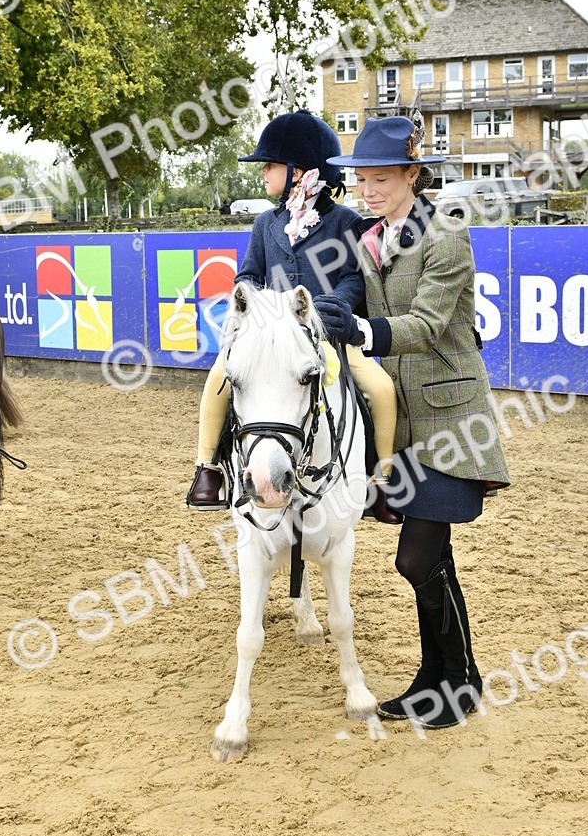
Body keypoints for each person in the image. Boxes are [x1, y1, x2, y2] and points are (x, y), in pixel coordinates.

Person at [320, 114, 510, 729]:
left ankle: (457, 679)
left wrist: (364, 330)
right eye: (361, 182)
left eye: (380, 179)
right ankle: (447, 678)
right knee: (431, 558)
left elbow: (427, 328)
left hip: (451, 418)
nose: (368, 191)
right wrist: (338, 306)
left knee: (416, 556)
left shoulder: (446, 236)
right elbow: (355, 289)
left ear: (412, 174)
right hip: (403, 423)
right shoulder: (371, 237)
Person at [186, 109, 402, 523]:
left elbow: (355, 279)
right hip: (270, 336)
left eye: (270, 165)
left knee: (380, 387)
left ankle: (381, 483)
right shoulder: (266, 223)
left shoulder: (346, 222)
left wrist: (333, 306)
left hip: (328, 338)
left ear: (299, 169)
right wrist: (254, 298)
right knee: (218, 378)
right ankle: (207, 470)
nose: (264, 174)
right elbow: (247, 274)